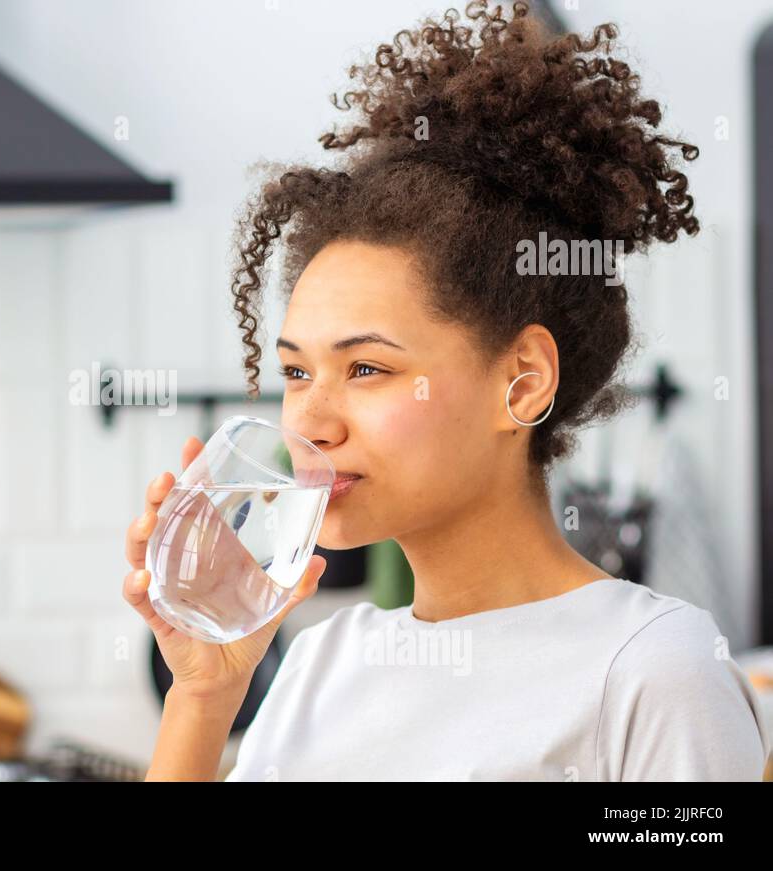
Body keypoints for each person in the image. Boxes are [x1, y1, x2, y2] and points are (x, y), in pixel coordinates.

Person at [122, 0, 771, 781]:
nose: (312, 423)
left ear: (521, 382)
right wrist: (203, 696)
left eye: (366, 369)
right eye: (297, 372)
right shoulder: (317, 667)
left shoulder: (655, 672)